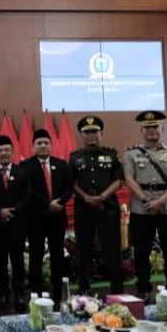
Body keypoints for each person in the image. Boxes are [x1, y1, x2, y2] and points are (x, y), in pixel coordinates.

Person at [123, 111, 167, 303]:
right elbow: (129, 179)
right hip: (141, 208)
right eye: (147, 127)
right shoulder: (131, 154)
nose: (151, 130)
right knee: (141, 252)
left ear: (162, 129)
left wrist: (160, 201)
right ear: (141, 131)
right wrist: (146, 200)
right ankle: (143, 289)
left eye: (155, 126)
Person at [69, 115, 124, 296]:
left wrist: (102, 197)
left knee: (112, 250)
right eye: (87, 132)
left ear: (101, 134)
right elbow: (71, 183)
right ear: (81, 135)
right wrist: (86, 197)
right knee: (83, 251)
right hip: (83, 209)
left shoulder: (111, 155)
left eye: (95, 132)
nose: (91, 135)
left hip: (107, 209)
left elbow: (119, 180)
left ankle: (117, 292)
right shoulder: (74, 157)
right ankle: (83, 291)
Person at [20, 129, 74, 303]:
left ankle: (59, 293)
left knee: (58, 256)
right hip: (35, 218)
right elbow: (28, 190)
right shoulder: (25, 166)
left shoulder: (61, 164)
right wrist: (47, 204)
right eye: (39, 143)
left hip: (57, 217)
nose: (43, 146)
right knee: (35, 257)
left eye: (46, 143)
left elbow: (69, 187)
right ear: (33, 147)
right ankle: (36, 292)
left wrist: (59, 202)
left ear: (51, 146)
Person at [0, 135, 33, 311]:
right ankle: (3, 294)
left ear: (13, 152)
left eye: (7, 150)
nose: (4, 153)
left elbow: (28, 196)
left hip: (17, 224)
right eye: (0, 150)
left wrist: (12, 211)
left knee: (17, 260)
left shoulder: (23, 172)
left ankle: (19, 295)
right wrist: (0, 210)